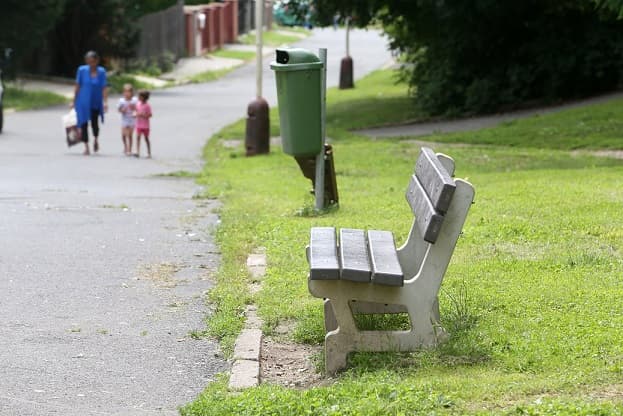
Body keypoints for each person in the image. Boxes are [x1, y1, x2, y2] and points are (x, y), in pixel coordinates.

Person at [71, 51, 108, 155]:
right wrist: (73, 100)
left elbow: (104, 87)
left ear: (97, 61)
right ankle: (86, 146)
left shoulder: (101, 72)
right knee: (83, 124)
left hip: (95, 101)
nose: (91, 64)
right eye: (89, 61)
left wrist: (105, 102)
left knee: (95, 123)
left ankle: (96, 139)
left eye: (93, 61)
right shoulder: (81, 70)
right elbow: (77, 86)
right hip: (83, 101)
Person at [117, 84, 137, 156]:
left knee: (130, 135)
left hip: (132, 119)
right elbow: (118, 110)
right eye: (125, 92)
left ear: (132, 93)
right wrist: (122, 110)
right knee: (123, 135)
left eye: (129, 92)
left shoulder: (134, 100)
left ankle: (129, 149)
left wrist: (134, 108)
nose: (127, 93)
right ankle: (125, 146)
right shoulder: (121, 101)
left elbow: (137, 109)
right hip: (124, 119)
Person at [135, 90, 152, 158]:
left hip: (145, 126)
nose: (138, 97)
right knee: (138, 137)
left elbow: (150, 115)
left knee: (146, 138)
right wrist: (136, 114)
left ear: (144, 97)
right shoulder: (138, 104)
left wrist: (143, 115)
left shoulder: (147, 106)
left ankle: (149, 152)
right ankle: (137, 151)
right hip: (139, 124)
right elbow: (136, 111)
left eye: (140, 96)